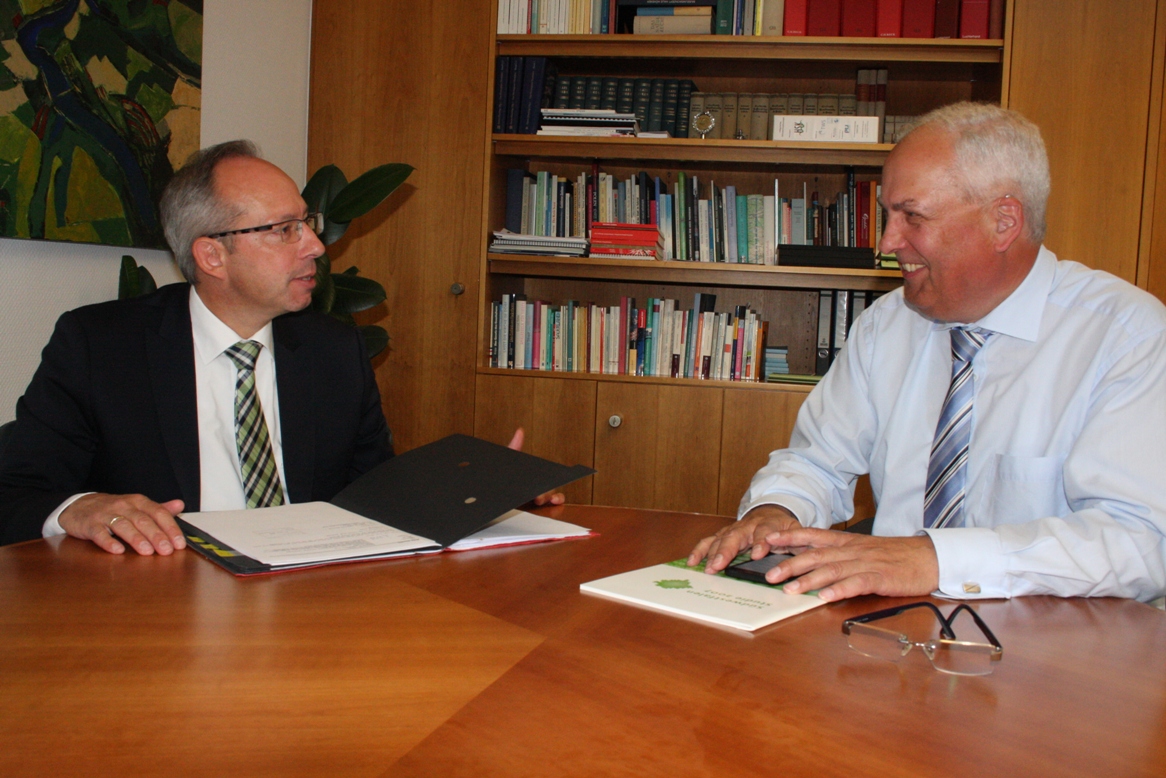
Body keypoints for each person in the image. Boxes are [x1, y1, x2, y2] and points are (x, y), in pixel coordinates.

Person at [689, 102, 1166, 604]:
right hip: (888, 624)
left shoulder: (1128, 337)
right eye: (888, 215)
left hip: (1051, 638)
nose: (887, 242)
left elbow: (1143, 541)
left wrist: (937, 559)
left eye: (912, 216)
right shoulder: (886, 325)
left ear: (1004, 221)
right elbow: (818, 462)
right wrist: (776, 510)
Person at [0, 141, 558, 554]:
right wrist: (80, 507)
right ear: (212, 256)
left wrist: (479, 493)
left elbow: (373, 495)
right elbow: (13, 490)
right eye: (284, 229)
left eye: (306, 223)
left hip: (311, 604)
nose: (315, 245)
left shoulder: (332, 350)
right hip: (163, 608)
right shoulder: (101, 347)